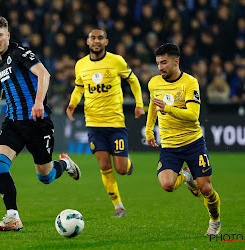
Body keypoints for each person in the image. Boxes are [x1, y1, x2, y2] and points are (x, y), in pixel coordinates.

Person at [0, 15, 81, 232]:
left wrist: (39, 101)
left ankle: (65, 164)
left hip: (36, 123)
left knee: (46, 177)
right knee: (0, 162)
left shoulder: (19, 53)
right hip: (13, 122)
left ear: (8, 35)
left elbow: (44, 73)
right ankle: (12, 216)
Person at [66, 28, 145, 218]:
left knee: (121, 169)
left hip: (115, 123)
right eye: (93, 38)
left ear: (106, 42)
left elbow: (133, 81)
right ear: (87, 42)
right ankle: (119, 207)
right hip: (93, 123)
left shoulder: (116, 61)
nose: (96, 41)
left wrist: (139, 104)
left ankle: (127, 163)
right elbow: (79, 87)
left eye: (100, 38)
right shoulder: (81, 65)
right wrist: (72, 104)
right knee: (103, 165)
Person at [145, 43, 221, 235]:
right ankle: (187, 176)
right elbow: (154, 106)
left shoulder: (190, 83)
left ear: (176, 61)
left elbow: (193, 115)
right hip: (170, 146)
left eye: (164, 62)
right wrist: (148, 130)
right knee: (167, 185)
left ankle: (215, 221)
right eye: (158, 63)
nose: (160, 67)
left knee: (206, 189)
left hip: (193, 143)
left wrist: (168, 108)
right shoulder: (154, 83)